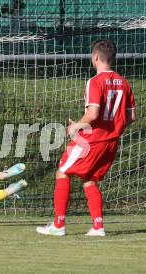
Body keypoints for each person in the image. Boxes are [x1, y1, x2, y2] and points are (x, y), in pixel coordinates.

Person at [36, 39, 136, 237]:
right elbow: (131, 117)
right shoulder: (124, 83)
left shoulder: (95, 81)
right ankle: (98, 227)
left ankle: (58, 225)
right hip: (111, 142)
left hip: (93, 140)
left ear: (95, 57)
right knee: (89, 179)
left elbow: (92, 114)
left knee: (63, 171)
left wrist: (76, 126)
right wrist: (113, 129)